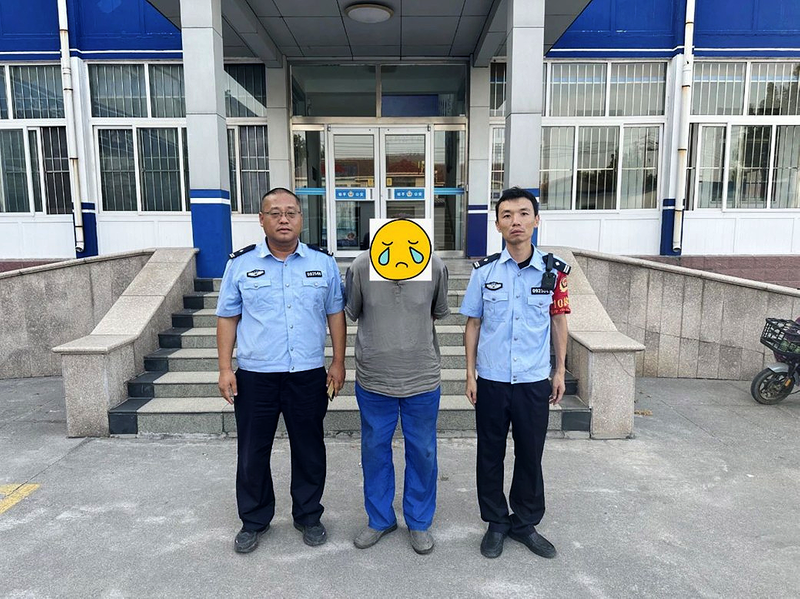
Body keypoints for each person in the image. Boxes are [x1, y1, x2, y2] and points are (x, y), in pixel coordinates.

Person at [216, 187, 346, 554]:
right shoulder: (240, 264)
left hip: (306, 374)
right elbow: (227, 317)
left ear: (301, 218)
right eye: (275, 213)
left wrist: (338, 361)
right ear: (262, 220)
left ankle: (309, 515)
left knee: (309, 448)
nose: (283, 219)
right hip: (256, 376)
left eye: (291, 212)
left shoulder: (323, 263)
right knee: (252, 451)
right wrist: (225, 368)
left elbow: (335, 314)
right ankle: (254, 519)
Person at [460, 186, 571, 559]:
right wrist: (470, 374)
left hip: (532, 381)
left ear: (536, 220)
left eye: (523, 213)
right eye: (507, 215)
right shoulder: (484, 272)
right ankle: (496, 522)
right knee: (489, 454)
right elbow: (473, 324)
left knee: (530, 455)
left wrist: (560, 371)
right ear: (497, 224)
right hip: (492, 380)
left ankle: (524, 523)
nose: (516, 221)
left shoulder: (553, 272)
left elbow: (559, 321)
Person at [344, 232, 450, 555]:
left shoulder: (434, 266)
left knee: (423, 452)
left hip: (421, 378)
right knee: (374, 451)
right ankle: (380, 519)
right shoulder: (360, 267)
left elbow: (436, 310)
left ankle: (419, 521)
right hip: (374, 379)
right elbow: (353, 311)